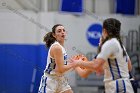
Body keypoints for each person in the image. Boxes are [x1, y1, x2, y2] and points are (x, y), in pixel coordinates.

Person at [70, 18, 134, 93]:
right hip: (121, 85)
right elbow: (129, 67)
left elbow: (96, 65)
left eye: (101, 40)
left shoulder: (110, 43)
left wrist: (78, 63)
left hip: (118, 86)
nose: (100, 43)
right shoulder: (119, 44)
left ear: (104, 31)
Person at [38, 24, 75, 93]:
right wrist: (75, 64)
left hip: (61, 80)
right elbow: (60, 69)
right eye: (59, 31)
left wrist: (74, 63)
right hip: (50, 81)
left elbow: (62, 68)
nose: (62, 32)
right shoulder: (56, 47)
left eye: (64, 30)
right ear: (54, 35)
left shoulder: (61, 47)